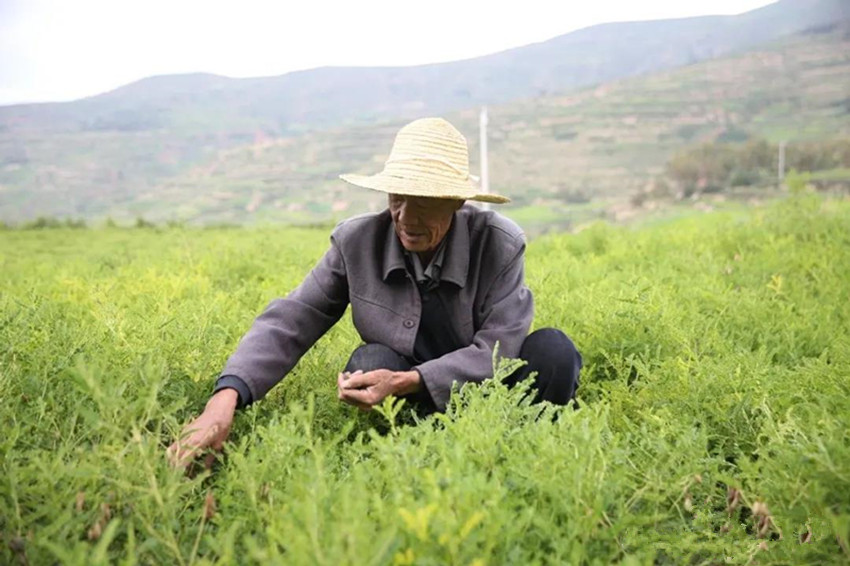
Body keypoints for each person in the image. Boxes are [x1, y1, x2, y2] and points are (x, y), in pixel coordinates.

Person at [167, 117, 582, 468]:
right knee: (370, 362)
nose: (406, 217)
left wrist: (410, 380)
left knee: (554, 352)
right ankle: (412, 453)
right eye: (398, 198)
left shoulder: (500, 243)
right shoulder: (357, 242)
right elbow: (292, 319)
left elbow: (498, 350)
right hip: (405, 394)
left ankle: (524, 452)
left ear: (457, 203)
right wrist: (224, 400)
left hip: (486, 388)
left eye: (425, 203)